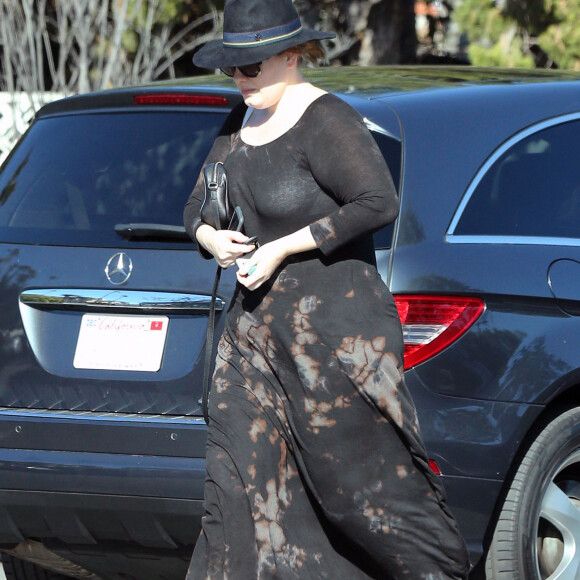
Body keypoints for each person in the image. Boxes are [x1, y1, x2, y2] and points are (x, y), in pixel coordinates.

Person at [184, 0, 470, 578]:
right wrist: (211, 237)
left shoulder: (327, 119)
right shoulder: (239, 122)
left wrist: (283, 247)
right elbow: (197, 205)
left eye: (251, 66)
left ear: (292, 56)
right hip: (253, 345)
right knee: (236, 487)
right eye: (232, 68)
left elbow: (377, 202)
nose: (239, 79)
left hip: (334, 347)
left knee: (354, 494)